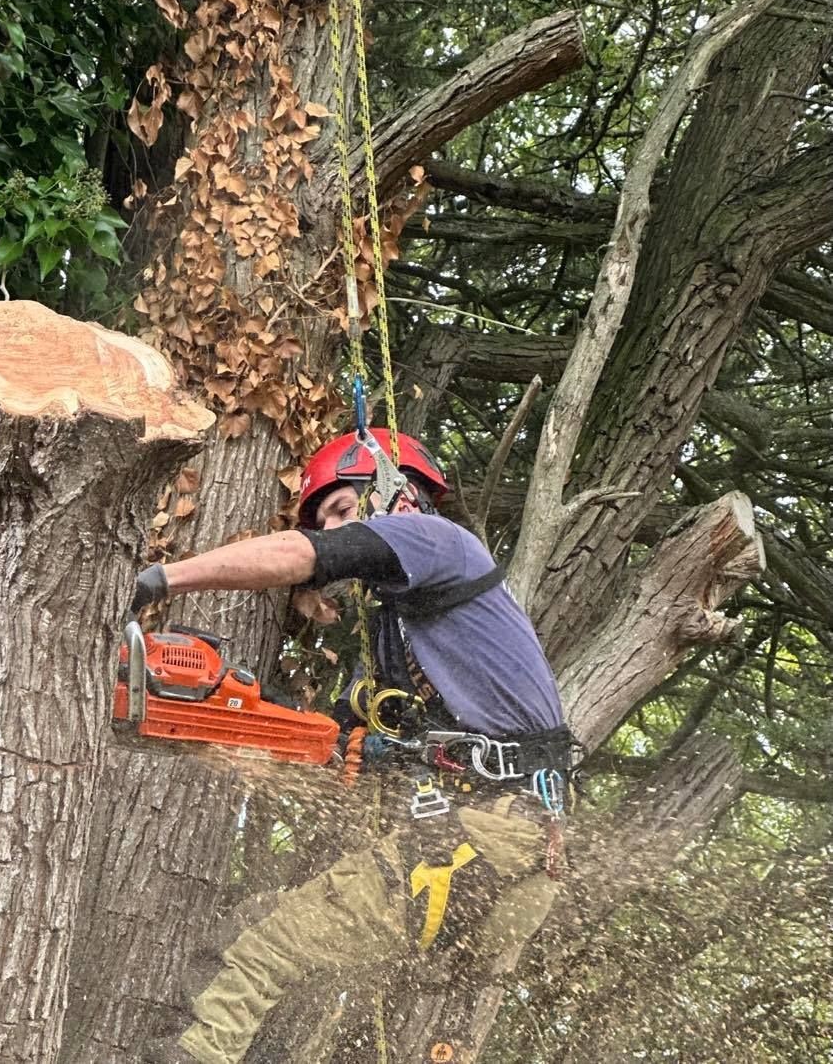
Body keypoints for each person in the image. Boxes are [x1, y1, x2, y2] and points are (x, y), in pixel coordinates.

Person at [133, 429, 573, 1064]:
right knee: (251, 927)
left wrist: (161, 579)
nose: (337, 529)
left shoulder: (437, 539)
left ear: (395, 493)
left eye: (343, 511)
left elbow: (301, 554)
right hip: (484, 852)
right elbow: (334, 738)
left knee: (263, 950)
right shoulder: (402, 638)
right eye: (328, 519)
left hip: (489, 840)